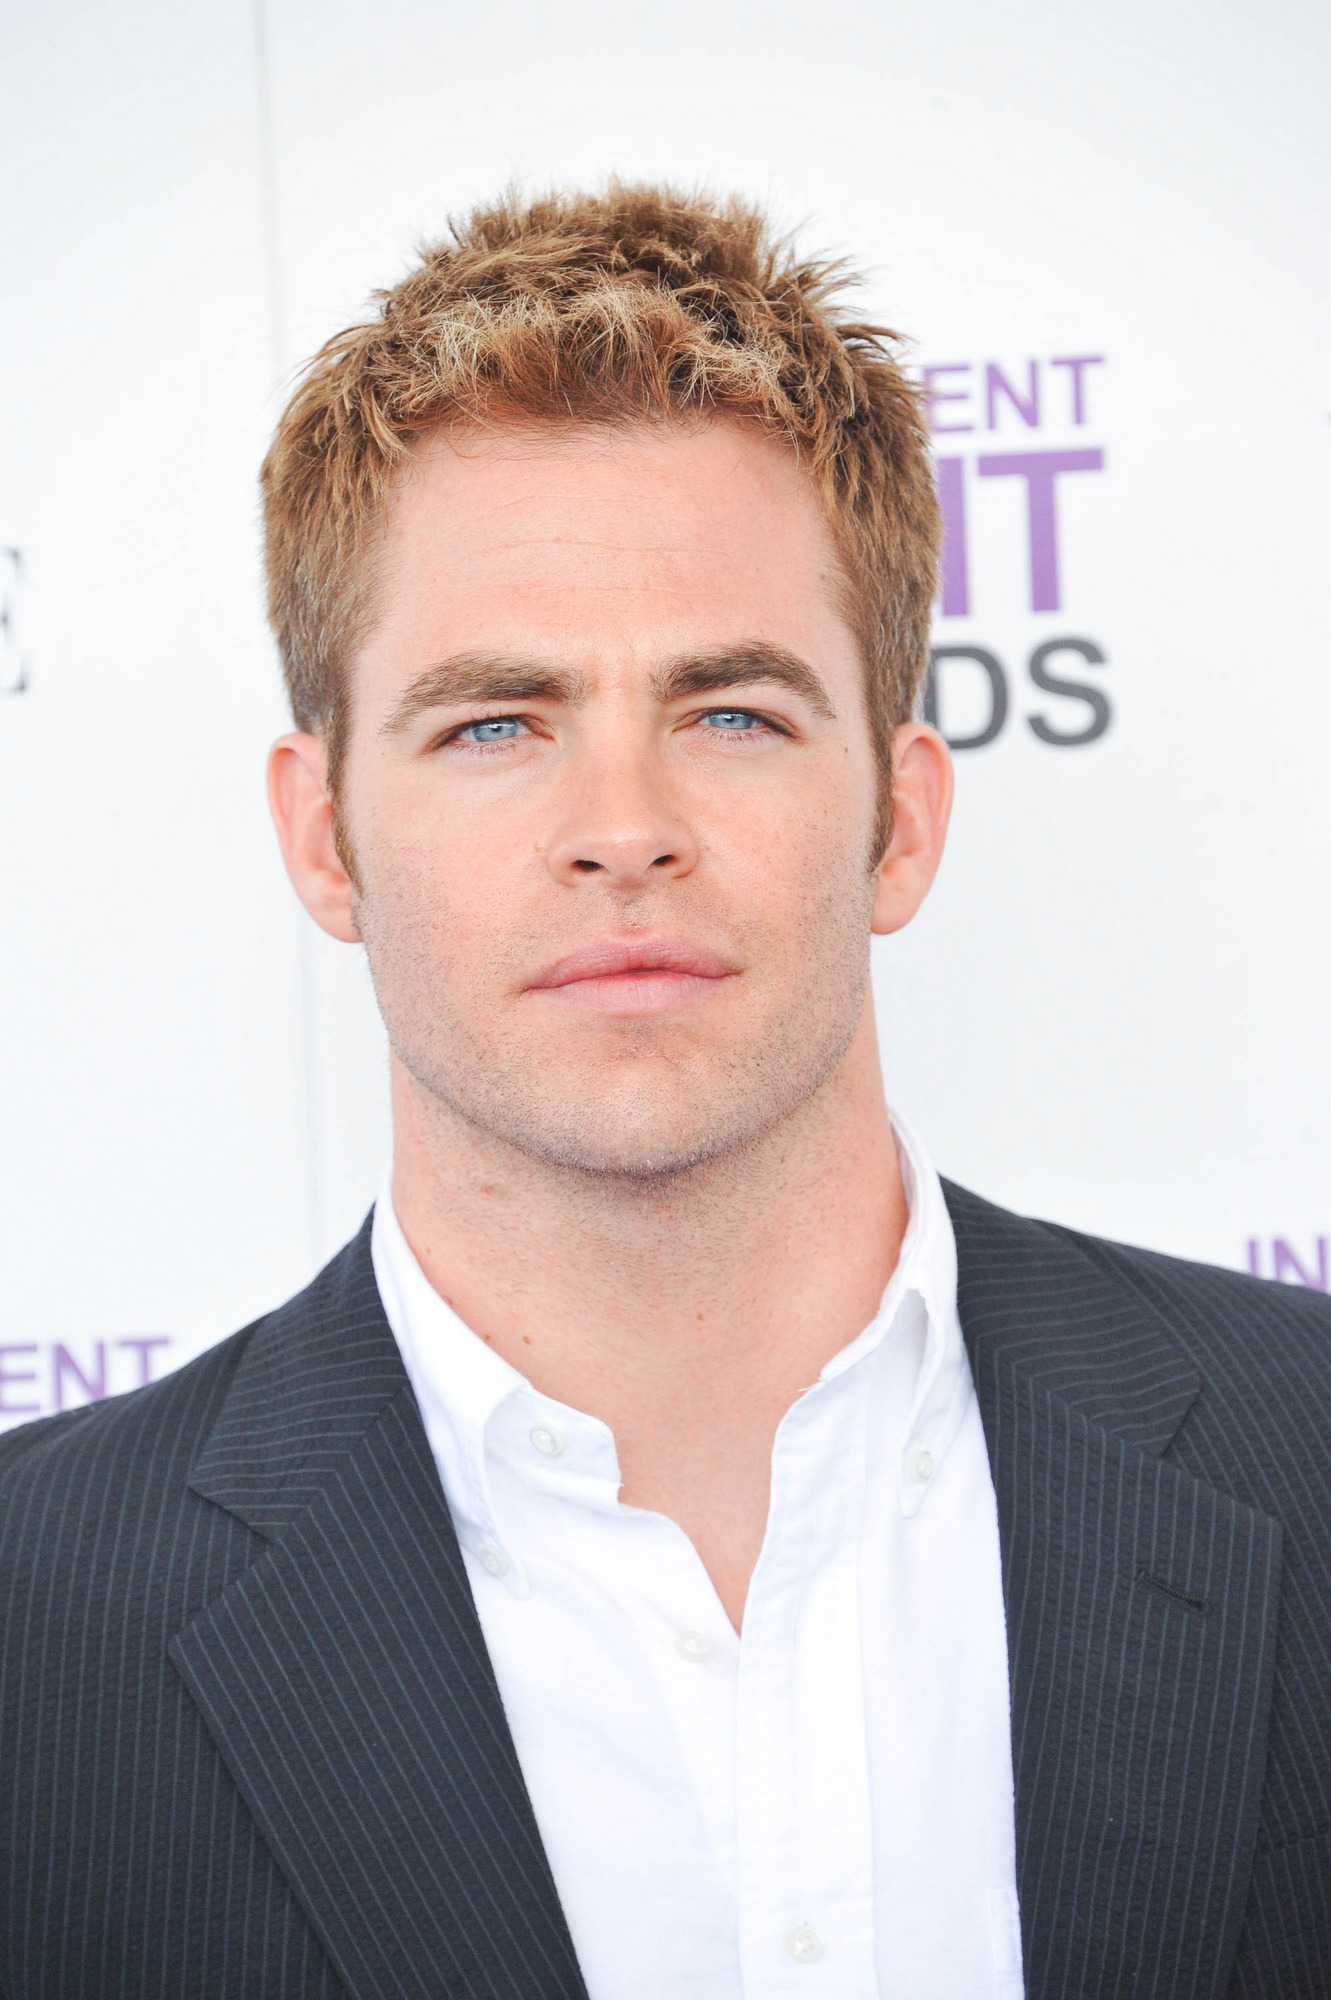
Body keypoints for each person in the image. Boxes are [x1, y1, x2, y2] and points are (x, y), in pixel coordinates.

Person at [1, 185, 1328, 2000]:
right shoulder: (29, 1614)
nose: (623, 828)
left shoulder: (1310, 1448)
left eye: (731, 714)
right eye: (494, 723)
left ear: (901, 820)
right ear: (323, 836)